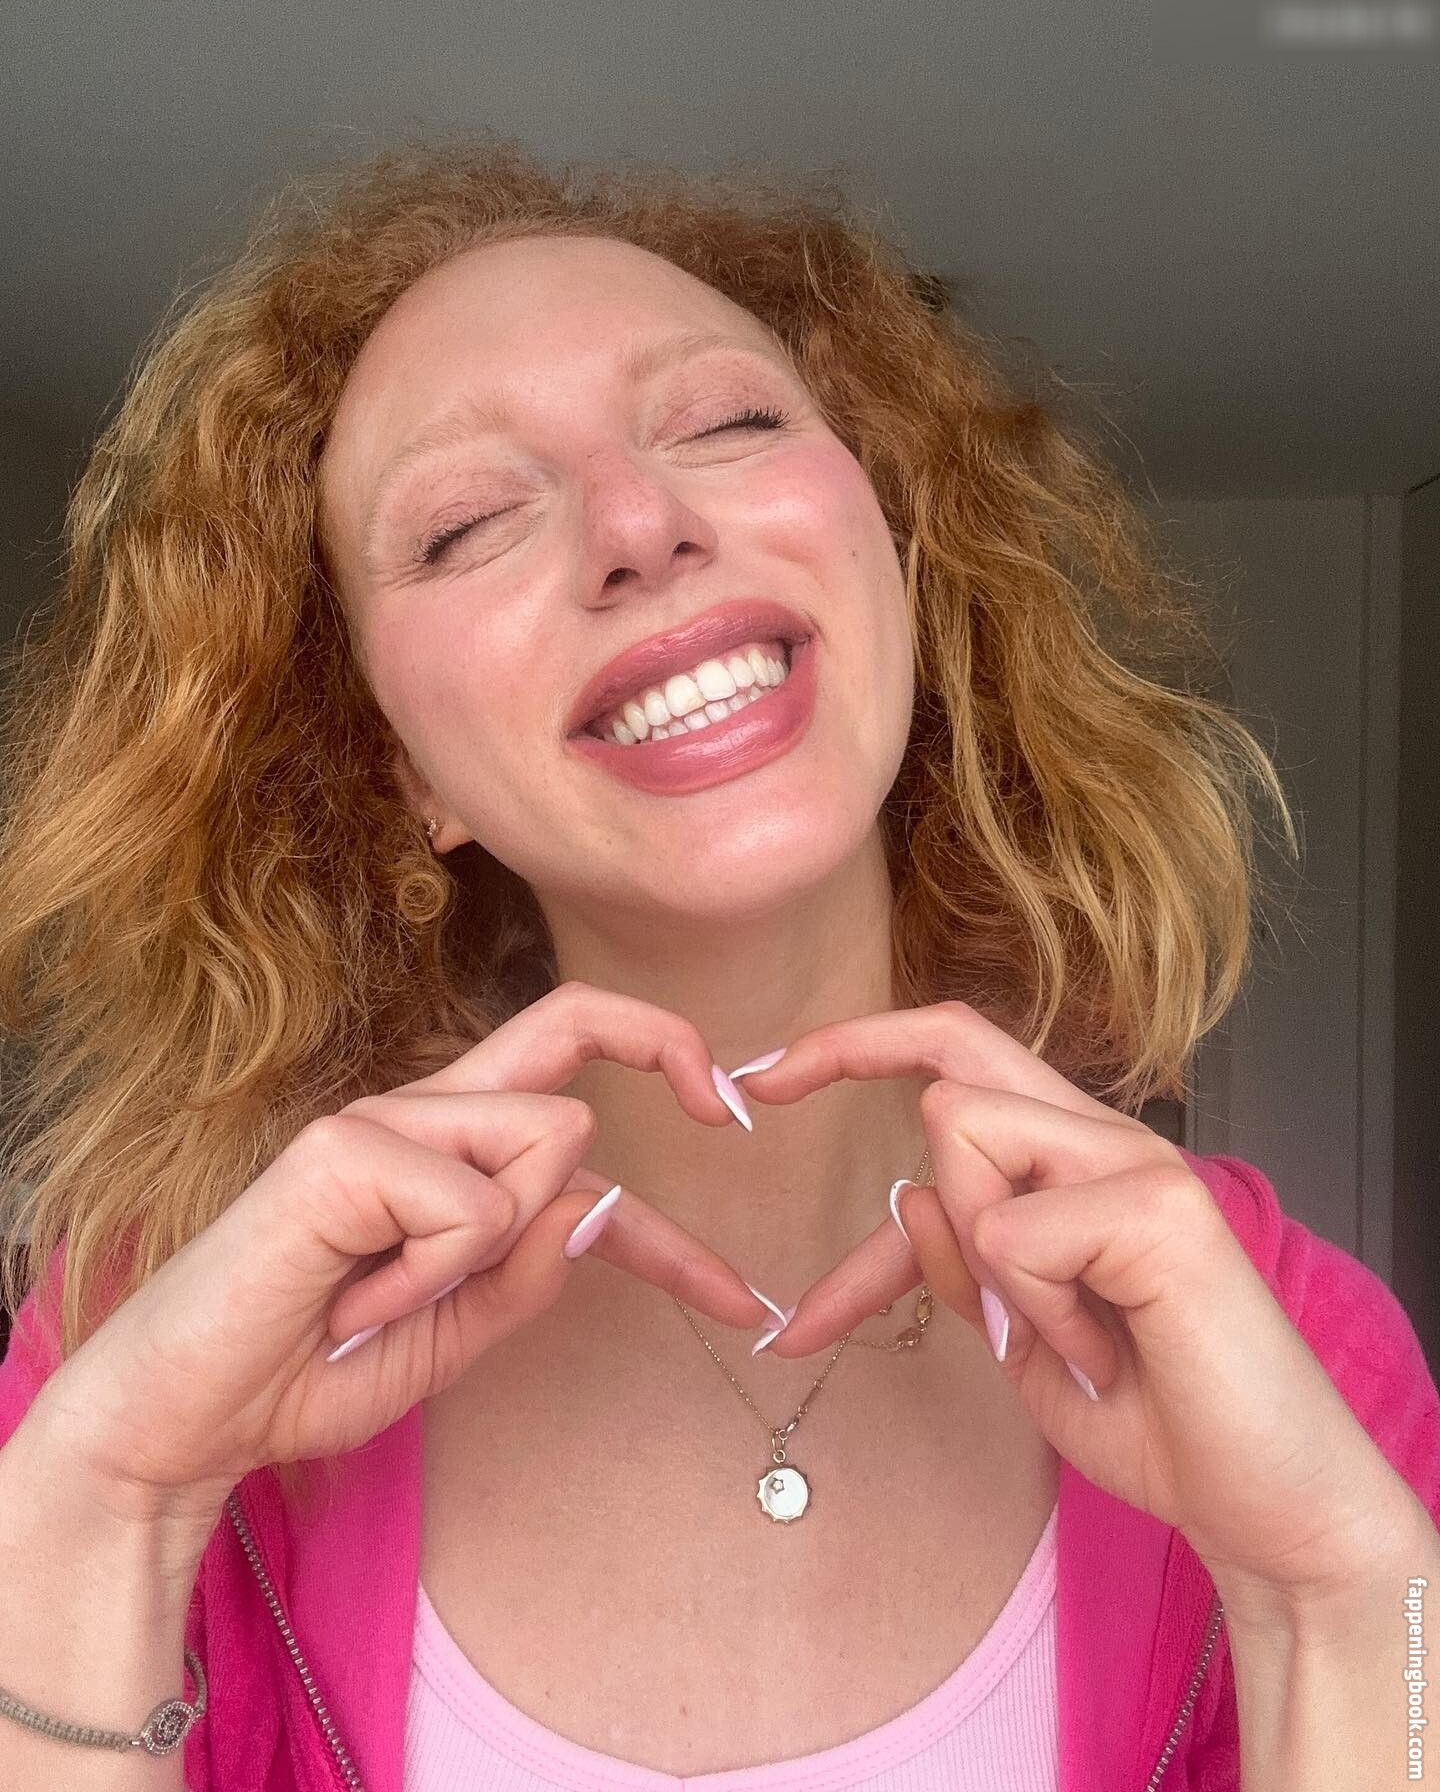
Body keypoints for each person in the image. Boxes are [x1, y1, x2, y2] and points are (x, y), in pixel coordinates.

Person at [0, 132, 1435, 1792]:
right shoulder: (128, 1361)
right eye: (467, 522)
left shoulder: (1304, 1350)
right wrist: (99, 1521)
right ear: (398, 770)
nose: (638, 523)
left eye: (729, 423)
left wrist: (1351, 1608)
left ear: (895, 559)